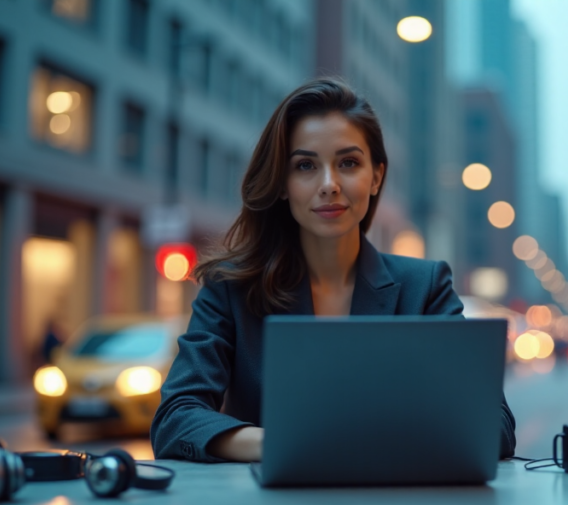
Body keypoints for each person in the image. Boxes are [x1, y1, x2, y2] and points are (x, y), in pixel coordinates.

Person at [150, 79, 517, 463]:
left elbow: (494, 425)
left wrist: (353, 445)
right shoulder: (231, 288)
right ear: (282, 183)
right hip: (269, 498)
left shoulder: (424, 288)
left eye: (348, 163)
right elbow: (176, 419)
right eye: (305, 165)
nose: (329, 185)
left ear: (376, 176)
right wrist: (285, 444)